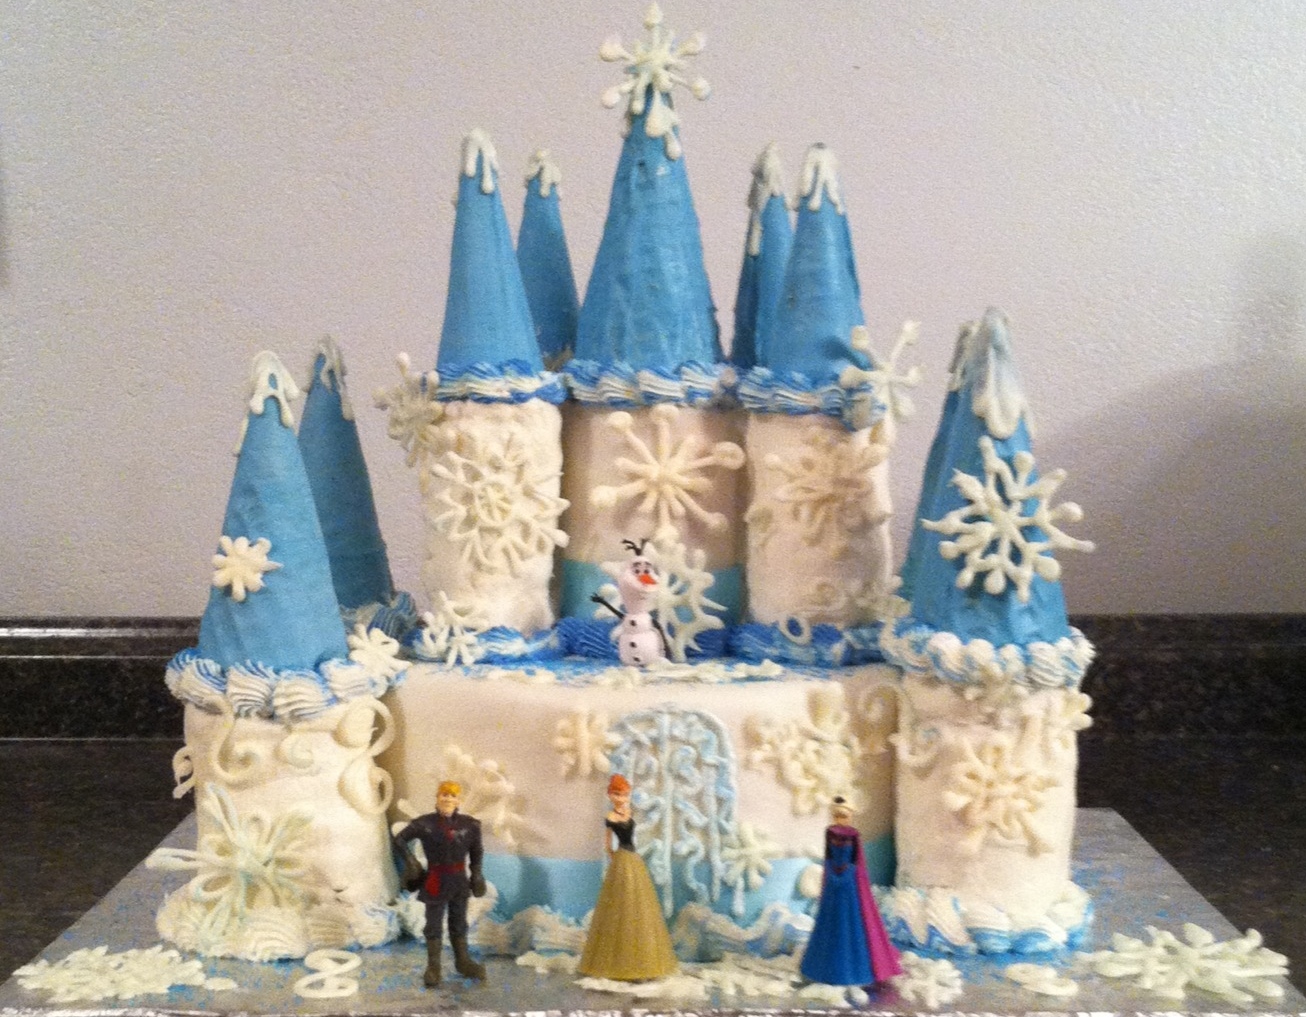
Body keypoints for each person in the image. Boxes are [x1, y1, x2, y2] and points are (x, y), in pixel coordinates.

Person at [576, 774, 678, 980]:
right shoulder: (611, 817)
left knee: (639, 906)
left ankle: (642, 961)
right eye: (617, 794)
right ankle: (615, 962)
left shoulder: (628, 812)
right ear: (610, 795)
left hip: (633, 857)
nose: (621, 798)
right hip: (622, 857)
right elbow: (607, 844)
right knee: (619, 906)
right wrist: (615, 858)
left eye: (624, 794)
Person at [799, 795, 902, 987]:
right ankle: (823, 967)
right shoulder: (830, 832)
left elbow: (856, 860)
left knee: (851, 922)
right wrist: (831, 873)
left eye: (844, 816)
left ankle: (856, 968)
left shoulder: (853, 835)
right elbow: (828, 856)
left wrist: (847, 874)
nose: (840, 819)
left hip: (849, 884)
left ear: (850, 816)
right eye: (837, 815)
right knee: (831, 922)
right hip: (833, 883)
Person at [394, 781, 487, 987]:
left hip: (459, 880)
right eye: (444, 794)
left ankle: (463, 962)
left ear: (458, 800)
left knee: (459, 922)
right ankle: (433, 967)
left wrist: (477, 874)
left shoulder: (470, 825)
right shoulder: (424, 824)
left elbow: (477, 851)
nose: (447, 799)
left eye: (452, 795)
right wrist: (411, 861)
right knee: (433, 924)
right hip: (435, 879)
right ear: (437, 798)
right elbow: (399, 840)